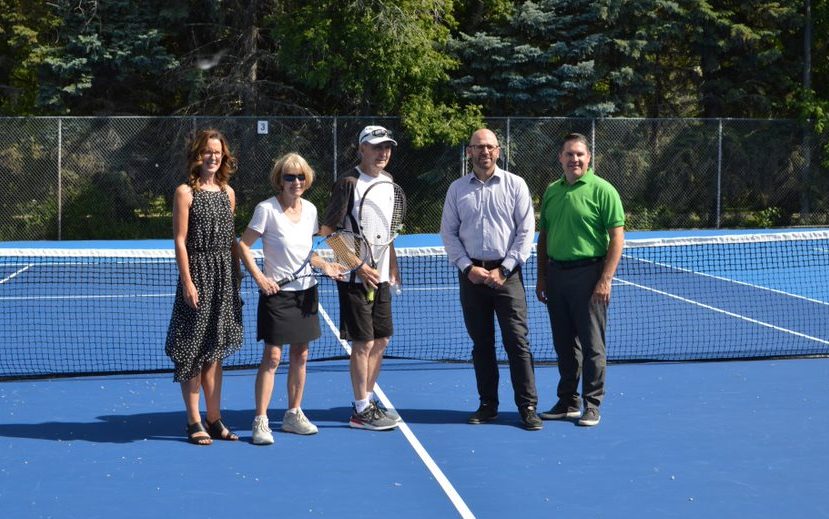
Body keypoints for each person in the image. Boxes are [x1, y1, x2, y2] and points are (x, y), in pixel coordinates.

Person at [439, 128, 543, 431]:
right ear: (469, 152)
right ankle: (488, 405)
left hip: (507, 277)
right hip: (472, 278)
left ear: (498, 151)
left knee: (517, 344)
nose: (484, 152)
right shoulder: (457, 189)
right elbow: (448, 233)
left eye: (490, 147)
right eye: (478, 147)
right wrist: (467, 267)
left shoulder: (515, 185)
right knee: (481, 345)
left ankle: (528, 407)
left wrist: (505, 269)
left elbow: (526, 232)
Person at [238, 153, 342, 445]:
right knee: (272, 357)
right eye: (289, 176)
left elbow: (309, 252)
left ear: (306, 180)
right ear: (279, 180)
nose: (295, 182)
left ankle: (293, 414)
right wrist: (260, 278)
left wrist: (327, 266)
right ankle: (261, 420)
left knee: (301, 355)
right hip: (277, 294)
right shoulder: (266, 210)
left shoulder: (310, 210)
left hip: (306, 292)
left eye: (300, 177)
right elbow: (243, 246)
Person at [535, 133, 625, 427]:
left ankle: (592, 404)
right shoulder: (551, 191)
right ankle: (568, 401)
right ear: (560, 158)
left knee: (592, 345)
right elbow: (544, 237)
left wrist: (605, 279)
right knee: (564, 345)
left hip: (590, 276)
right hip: (557, 276)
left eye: (579, 155)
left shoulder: (604, 190)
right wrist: (542, 277)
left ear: (589, 159)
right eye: (569, 154)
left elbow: (617, 237)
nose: (574, 159)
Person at [319, 125, 402, 431]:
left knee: (382, 339)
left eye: (387, 147)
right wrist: (357, 266)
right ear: (361, 149)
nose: (383, 152)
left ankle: (365, 401)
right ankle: (360, 410)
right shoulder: (348, 182)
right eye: (377, 147)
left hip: (379, 278)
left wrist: (392, 266)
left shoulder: (390, 182)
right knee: (363, 343)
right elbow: (328, 235)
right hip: (355, 280)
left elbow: (387, 232)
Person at [165, 128, 244, 446]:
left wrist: (237, 275)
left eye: (218, 151)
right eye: (207, 151)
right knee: (192, 351)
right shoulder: (185, 192)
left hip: (224, 276)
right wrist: (188, 282)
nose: (213, 156)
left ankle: (214, 419)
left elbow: (230, 240)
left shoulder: (228, 192)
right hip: (198, 274)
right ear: (197, 155)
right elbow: (180, 241)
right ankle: (193, 420)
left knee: (215, 352)